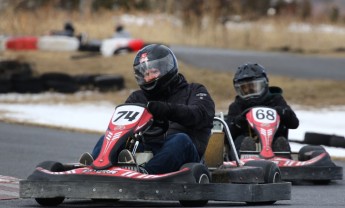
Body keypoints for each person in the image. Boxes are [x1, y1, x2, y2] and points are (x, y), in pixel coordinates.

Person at [87, 44, 215, 174]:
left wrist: (167, 110)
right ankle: (98, 167)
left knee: (180, 140)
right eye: (146, 74)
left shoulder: (195, 91)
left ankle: (146, 173)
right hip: (146, 148)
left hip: (185, 155)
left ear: (167, 68)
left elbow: (201, 115)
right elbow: (122, 128)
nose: (148, 78)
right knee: (106, 139)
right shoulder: (137, 98)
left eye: (154, 72)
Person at [225, 63, 299, 153]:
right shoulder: (237, 106)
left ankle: (281, 156)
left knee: (280, 140)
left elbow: (294, 123)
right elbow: (226, 136)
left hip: (274, 143)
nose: (249, 91)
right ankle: (246, 154)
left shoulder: (275, 100)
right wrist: (238, 122)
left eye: (253, 87)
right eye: (245, 89)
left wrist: (281, 112)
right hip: (244, 147)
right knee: (243, 140)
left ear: (264, 84)